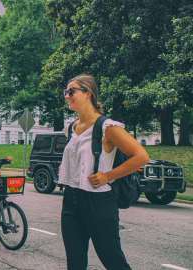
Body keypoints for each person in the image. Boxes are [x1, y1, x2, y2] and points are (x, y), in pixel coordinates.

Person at [59, 74, 149, 270]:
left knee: (113, 260)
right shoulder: (72, 128)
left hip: (98, 203)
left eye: (71, 91)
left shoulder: (107, 127)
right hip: (71, 200)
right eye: (65, 92)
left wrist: (107, 176)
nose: (66, 96)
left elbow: (141, 157)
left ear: (88, 93)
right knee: (74, 263)